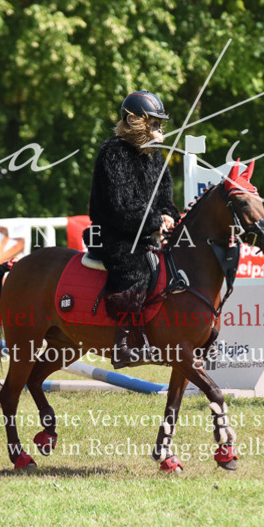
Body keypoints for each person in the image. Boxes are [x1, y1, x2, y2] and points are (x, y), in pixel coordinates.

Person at [83, 90, 179, 368]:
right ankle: (123, 346)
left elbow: (165, 200)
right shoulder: (113, 153)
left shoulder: (156, 157)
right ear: (133, 121)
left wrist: (168, 216)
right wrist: (155, 221)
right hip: (113, 234)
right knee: (135, 266)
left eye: (161, 125)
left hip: (147, 232)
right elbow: (119, 207)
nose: (160, 131)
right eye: (155, 124)